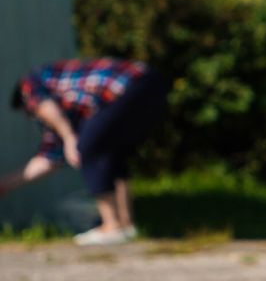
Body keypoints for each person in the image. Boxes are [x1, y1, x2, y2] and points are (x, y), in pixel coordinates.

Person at [3, 58, 166, 244]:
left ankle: (111, 226)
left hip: (128, 83)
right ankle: (125, 225)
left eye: (30, 112)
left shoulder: (30, 84)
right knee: (113, 153)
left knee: (87, 148)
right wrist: (5, 186)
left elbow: (44, 106)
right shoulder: (72, 108)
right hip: (149, 84)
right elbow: (48, 159)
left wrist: (70, 138)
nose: (34, 115)